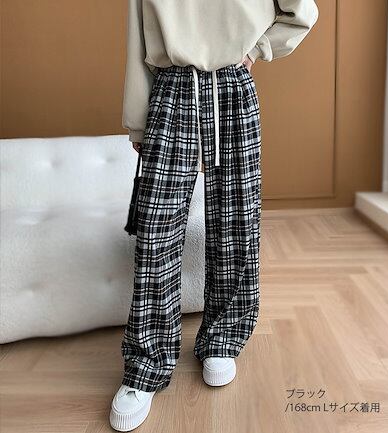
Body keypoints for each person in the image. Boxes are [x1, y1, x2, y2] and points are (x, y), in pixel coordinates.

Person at [110, 0, 319, 430]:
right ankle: (147, 363)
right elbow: (138, 38)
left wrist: (256, 50)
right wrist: (137, 119)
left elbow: (302, 11)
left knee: (236, 222)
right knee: (156, 231)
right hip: (171, 88)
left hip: (232, 84)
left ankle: (223, 337)